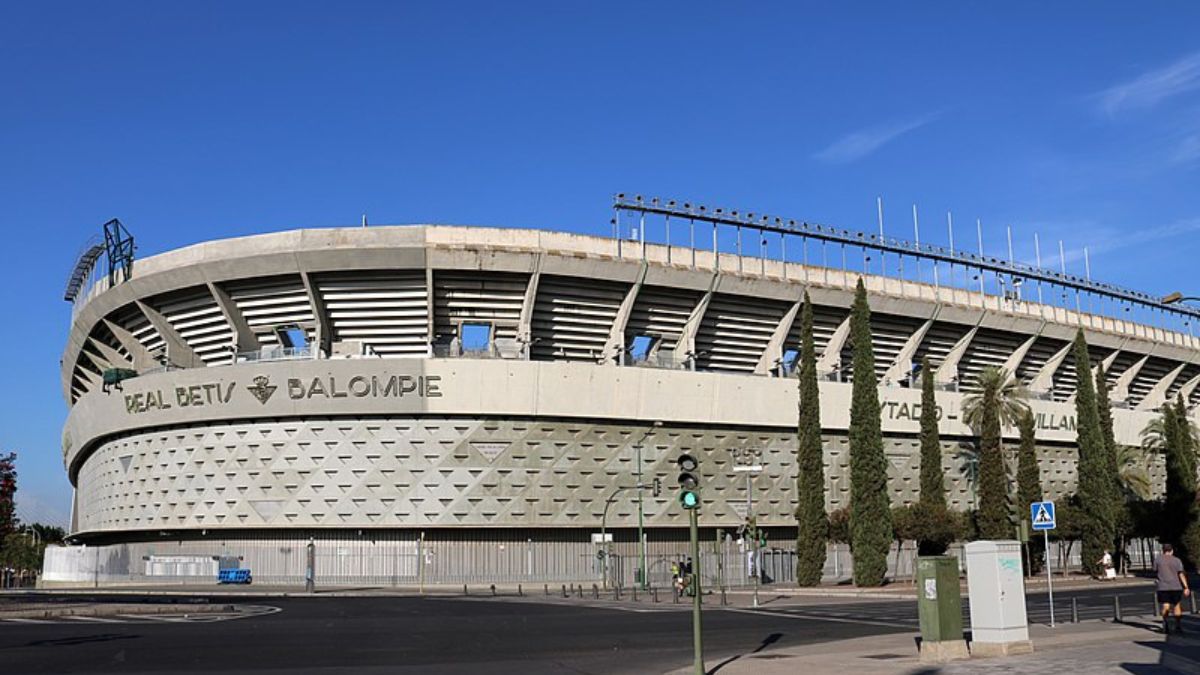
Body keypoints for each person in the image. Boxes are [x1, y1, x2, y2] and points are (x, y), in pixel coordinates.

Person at [1154, 543, 1191, 634]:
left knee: (1165, 606)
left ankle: (1165, 623)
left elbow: (1155, 570)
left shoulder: (1158, 560)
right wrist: (1186, 587)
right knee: (1177, 605)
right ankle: (1177, 625)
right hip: (1176, 586)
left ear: (1163, 550)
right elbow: (1181, 574)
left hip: (1163, 587)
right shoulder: (1177, 560)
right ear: (1172, 551)